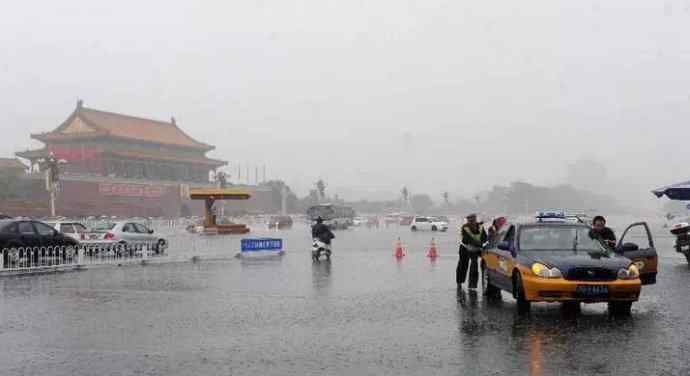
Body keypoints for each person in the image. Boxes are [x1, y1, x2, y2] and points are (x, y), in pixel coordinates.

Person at [457, 213, 488, 289]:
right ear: (467, 220)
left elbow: (485, 237)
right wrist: (480, 244)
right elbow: (467, 239)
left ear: (475, 219)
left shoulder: (480, 227)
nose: (471, 221)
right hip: (465, 248)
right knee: (463, 265)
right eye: (469, 220)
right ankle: (459, 281)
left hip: (475, 249)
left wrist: (485, 243)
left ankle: (472, 285)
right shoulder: (465, 227)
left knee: (474, 265)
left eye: (473, 219)